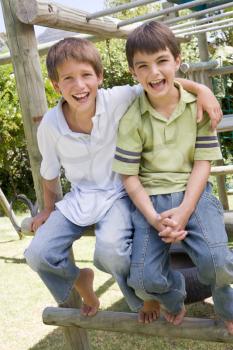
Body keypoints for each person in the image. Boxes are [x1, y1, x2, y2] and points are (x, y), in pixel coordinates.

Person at [24, 36, 222, 318]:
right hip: (79, 198)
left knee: (111, 254)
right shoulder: (50, 126)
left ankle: (144, 300)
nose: (79, 86)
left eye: (86, 76)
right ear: (56, 86)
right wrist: (46, 209)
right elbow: (49, 173)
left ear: (100, 77)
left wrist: (202, 89)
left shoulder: (117, 99)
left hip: (119, 194)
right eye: (68, 79)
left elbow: (158, 84)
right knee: (37, 254)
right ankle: (81, 281)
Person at [112, 20, 233, 334]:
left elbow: (202, 165)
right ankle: (173, 295)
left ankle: (226, 303)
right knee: (143, 278)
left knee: (217, 262)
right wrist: (154, 219)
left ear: (178, 61)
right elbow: (130, 178)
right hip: (150, 202)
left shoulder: (198, 108)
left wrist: (184, 212)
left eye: (162, 61)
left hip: (193, 194)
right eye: (143, 66)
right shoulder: (132, 118)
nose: (154, 72)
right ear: (133, 72)